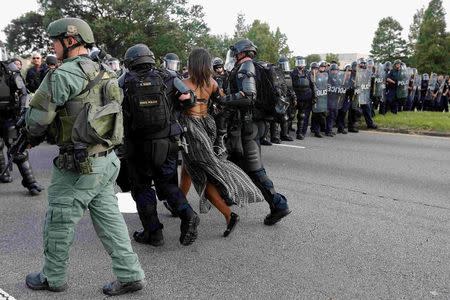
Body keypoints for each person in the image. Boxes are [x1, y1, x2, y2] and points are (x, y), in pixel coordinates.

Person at [24, 17, 145, 296]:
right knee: (109, 219)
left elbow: (35, 123)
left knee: (59, 220)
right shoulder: (104, 70)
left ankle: (52, 277)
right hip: (107, 160)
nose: (52, 47)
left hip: (79, 165)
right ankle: (130, 274)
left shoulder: (62, 74)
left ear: (69, 41)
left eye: (54, 42)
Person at [120, 43, 200, 246]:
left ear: (130, 62)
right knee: (167, 184)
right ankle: (188, 215)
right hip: (167, 142)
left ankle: (153, 233)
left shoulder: (123, 81)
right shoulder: (168, 77)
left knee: (142, 188)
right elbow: (189, 99)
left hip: (137, 145)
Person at [179, 48, 264, 236]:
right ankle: (179, 203)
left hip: (191, 129)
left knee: (200, 176)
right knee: (188, 167)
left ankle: (228, 214)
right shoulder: (213, 83)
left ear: (192, 64)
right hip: (207, 126)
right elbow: (222, 102)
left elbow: (175, 108)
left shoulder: (183, 83)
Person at [223, 39, 291, 225]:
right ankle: (230, 195)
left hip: (249, 125)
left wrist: (223, 100)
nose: (233, 56)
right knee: (233, 160)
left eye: (235, 53)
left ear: (241, 53)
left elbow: (248, 97)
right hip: (251, 124)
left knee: (255, 169)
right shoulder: (252, 67)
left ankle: (278, 204)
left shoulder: (246, 68)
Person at [0, 58, 43, 195]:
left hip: (9, 116)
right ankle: (3, 174)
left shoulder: (10, 70)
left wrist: (22, 114)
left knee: (17, 150)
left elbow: (24, 93)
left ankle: (31, 183)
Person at [291, 57, 315, 140]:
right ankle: (286, 131)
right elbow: (290, 86)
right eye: (299, 62)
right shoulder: (293, 73)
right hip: (295, 97)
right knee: (291, 115)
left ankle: (299, 133)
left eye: (302, 62)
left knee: (302, 116)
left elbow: (312, 85)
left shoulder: (308, 73)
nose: (300, 64)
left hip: (305, 97)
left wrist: (314, 97)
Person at [310, 61, 328, 138]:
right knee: (316, 115)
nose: (315, 70)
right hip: (314, 98)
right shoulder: (310, 76)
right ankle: (316, 131)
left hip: (322, 97)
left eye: (316, 68)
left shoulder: (323, 75)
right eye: (313, 68)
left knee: (320, 115)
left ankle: (318, 129)